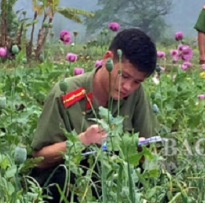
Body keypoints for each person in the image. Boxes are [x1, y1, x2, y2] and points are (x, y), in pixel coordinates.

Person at [29, 28, 159, 202]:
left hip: (115, 181)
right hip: (70, 185)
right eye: (124, 75)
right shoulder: (65, 93)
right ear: (107, 60)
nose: (128, 87)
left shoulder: (136, 94)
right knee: (62, 177)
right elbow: (38, 159)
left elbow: (149, 150)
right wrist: (81, 141)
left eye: (137, 82)